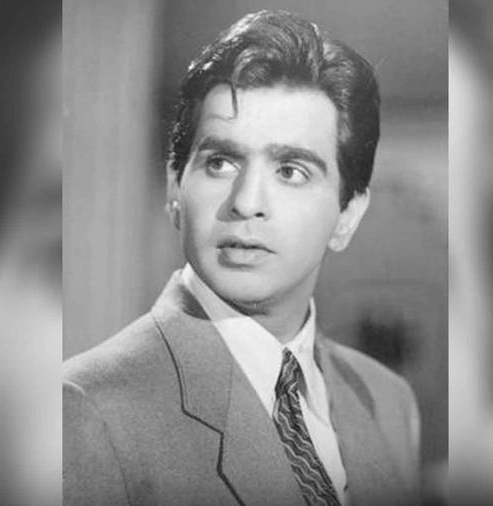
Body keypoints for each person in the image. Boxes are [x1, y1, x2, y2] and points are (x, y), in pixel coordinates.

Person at [63, 10, 420, 506]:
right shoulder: (86, 409)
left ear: (347, 215)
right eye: (221, 162)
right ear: (174, 188)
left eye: (291, 171)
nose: (247, 201)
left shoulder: (388, 401)